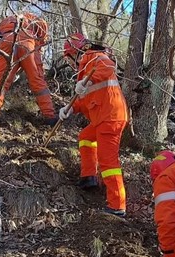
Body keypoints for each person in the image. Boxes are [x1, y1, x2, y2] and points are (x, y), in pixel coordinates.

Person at [59, 33, 128, 217]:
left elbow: (107, 67)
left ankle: (117, 205)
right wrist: (70, 108)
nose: (69, 62)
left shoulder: (94, 57)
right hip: (103, 118)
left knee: (109, 162)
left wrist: (88, 80)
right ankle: (89, 176)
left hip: (110, 118)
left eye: (68, 57)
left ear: (75, 52)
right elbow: (86, 99)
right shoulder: (85, 67)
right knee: (85, 137)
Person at [0, 13, 57, 125]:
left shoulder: (5, 21)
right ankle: (50, 117)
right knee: (37, 81)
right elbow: (41, 37)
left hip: (8, 40)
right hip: (29, 42)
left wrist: (12, 70)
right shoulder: (36, 19)